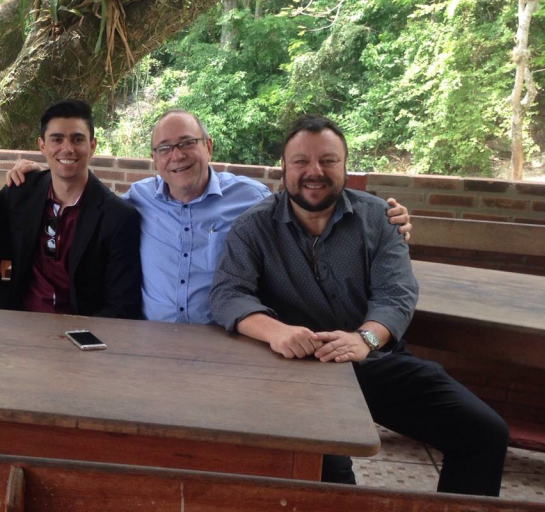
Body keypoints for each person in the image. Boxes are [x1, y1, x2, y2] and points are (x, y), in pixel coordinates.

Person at [209, 114, 508, 495]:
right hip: (295, 371)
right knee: (328, 474)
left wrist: (364, 339)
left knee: (483, 433)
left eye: (328, 160)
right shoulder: (254, 226)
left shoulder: (379, 220)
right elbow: (228, 293)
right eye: (301, 161)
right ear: (283, 167)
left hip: (372, 359)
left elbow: (396, 294)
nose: (314, 172)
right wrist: (276, 332)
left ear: (345, 166)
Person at [6, 109, 412, 323]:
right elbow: (87, 199)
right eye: (165, 148)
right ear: (154, 159)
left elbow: (309, 198)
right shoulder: (135, 201)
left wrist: (388, 219)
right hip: (149, 339)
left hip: (227, 337)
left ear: (209, 146)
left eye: (187, 143)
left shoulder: (252, 199)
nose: (177, 156)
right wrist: (41, 175)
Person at [0, 99, 142, 319]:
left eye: (77, 139)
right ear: (42, 146)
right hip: (22, 323)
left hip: (85, 329)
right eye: (57, 139)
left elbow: (121, 305)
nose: (68, 149)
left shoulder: (118, 217)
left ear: (92, 146)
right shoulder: (20, 193)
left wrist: (79, 334)